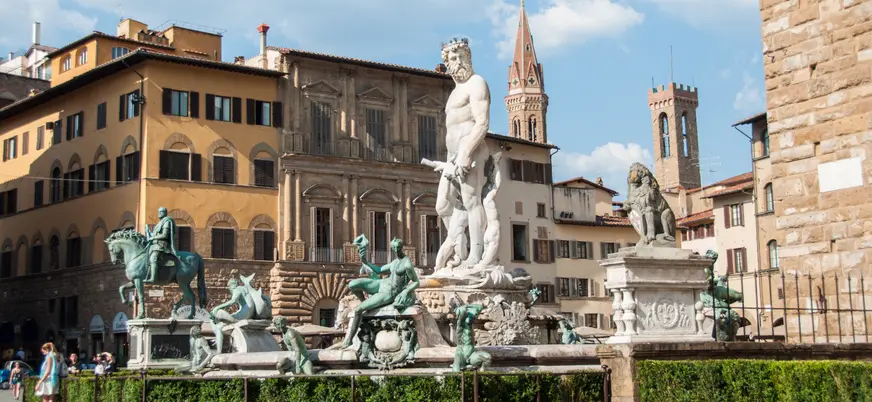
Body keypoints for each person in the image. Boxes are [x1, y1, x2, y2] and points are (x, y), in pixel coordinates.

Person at [144, 206, 177, 283]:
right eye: (158, 212)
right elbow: (155, 235)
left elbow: (164, 235)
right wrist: (148, 232)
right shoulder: (160, 222)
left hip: (161, 245)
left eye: (161, 212)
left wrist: (153, 237)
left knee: (153, 258)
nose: (159, 213)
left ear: (165, 213)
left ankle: (153, 278)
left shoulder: (166, 221)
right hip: (155, 245)